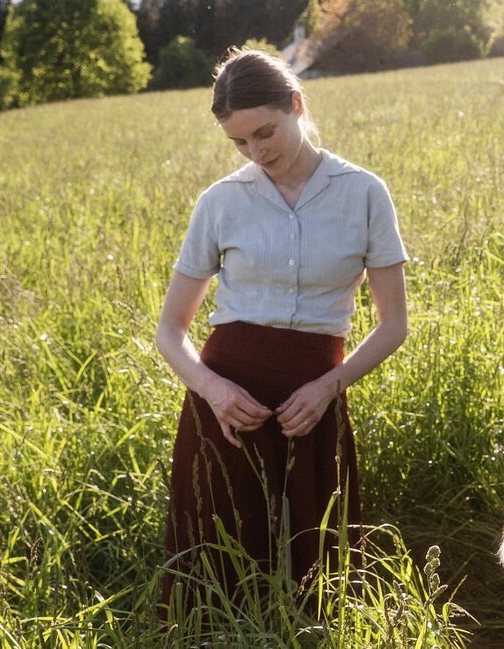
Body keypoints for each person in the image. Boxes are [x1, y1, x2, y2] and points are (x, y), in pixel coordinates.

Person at [155, 47, 409, 617]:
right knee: (216, 578)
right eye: (239, 143)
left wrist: (328, 388)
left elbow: (394, 325)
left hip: (311, 402)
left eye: (265, 132)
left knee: (314, 580)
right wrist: (213, 390)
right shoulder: (220, 202)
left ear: (297, 104)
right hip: (225, 405)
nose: (255, 152)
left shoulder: (365, 193)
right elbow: (170, 331)